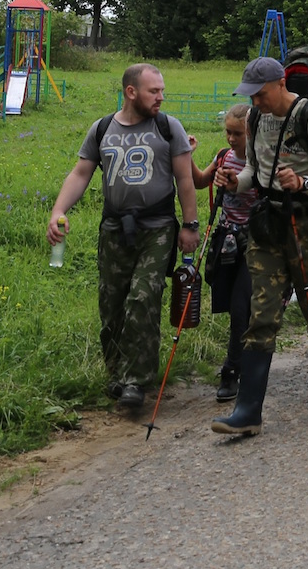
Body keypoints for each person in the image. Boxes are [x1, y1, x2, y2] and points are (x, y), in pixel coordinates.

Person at [46, 63, 200, 415]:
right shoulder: (102, 129)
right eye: (153, 91)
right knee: (112, 304)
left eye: (162, 90)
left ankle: (137, 380)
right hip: (114, 229)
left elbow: (185, 180)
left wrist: (190, 225)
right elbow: (81, 173)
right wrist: (57, 211)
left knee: (143, 298)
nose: (160, 97)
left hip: (158, 227)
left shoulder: (168, 127)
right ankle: (116, 372)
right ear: (131, 92)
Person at [210, 57, 308, 437]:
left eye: (261, 94)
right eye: (250, 96)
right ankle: (248, 410)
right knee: (262, 311)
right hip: (268, 223)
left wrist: (302, 184)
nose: (256, 103)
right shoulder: (255, 121)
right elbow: (256, 170)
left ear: (281, 83)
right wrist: (236, 181)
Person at [191, 102, 258, 401]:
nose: (231, 139)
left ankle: (232, 370)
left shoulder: (262, 162)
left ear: (251, 133)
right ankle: (248, 352)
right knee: (233, 306)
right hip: (227, 241)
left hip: (256, 243)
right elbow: (199, 181)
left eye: (237, 134)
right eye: (228, 133)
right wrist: (188, 156)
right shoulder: (223, 157)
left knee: (241, 307)